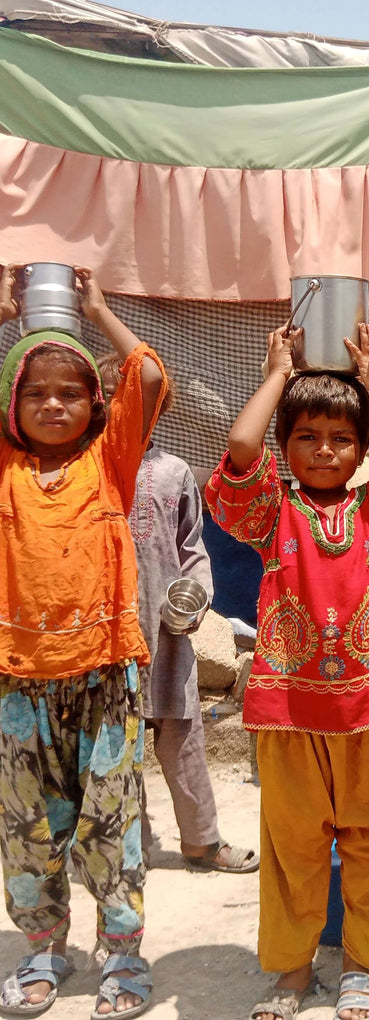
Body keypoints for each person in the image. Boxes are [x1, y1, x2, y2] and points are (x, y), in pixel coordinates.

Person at [205, 320, 369, 1020]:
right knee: (293, 849)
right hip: (290, 715)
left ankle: (362, 966)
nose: (324, 450)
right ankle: (292, 971)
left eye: (342, 438)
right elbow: (242, 447)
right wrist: (277, 372)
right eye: (306, 437)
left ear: (360, 448)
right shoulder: (268, 513)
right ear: (288, 447)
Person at [0, 265, 167, 1019]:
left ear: (96, 405)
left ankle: (124, 957)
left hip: (103, 681)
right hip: (15, 684)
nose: (54, 404)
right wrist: (7, 320)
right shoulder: (3, 470)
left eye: (70, 392)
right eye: (35, 393)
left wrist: (96, 311)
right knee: (28, 830)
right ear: (10, 406)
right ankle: (43, 949)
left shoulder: (111, 461)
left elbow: (150, 373)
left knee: (111, 826)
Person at [95, 355, 258, 877]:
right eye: (116, 402)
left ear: (159, 408)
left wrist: (197, 599)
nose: (129, 412)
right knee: (116, 745)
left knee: (183, 739)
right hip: (110, 637)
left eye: (142, 402)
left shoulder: (174, 471)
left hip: (167, 635)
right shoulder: (90, 472)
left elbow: (192, 547)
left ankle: (202, 842)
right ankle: (129, 845)